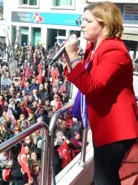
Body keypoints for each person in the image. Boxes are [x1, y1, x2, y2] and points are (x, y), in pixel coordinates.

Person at [64, 2, 138, 185]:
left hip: (116, 128)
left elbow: (92, 86)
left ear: (105, 23)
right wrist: (69, 59)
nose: (82, 25)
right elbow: (84, 79)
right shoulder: (93, 47)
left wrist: (73, 57)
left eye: (88, 21)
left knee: (104, 180)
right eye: (82, 20)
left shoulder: (114, 50)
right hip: (104, 126)